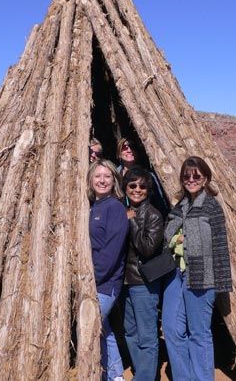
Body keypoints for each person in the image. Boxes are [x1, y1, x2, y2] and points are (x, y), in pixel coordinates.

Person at [162, 156, 232, 381]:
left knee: (199, 334)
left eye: (196, 176)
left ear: (205, 179)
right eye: (186, 176)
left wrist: (220, 284)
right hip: (176, 275)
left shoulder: (211, 207)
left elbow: (221, 246)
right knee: (172, 330)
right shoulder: (180, 205)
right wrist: (175, 239)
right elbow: (167, 235)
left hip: (202, 278)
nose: (191, 180)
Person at [88, 159, 128, 381]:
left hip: (105, 283)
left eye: (107, 177)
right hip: (96, 280)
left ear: (114, 181)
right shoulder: (94, 205)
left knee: (92, 328)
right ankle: (115, 375)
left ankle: (103, 373)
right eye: (97, 176)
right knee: (104, 328)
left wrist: (93, 278)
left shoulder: (114, 207)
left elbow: (111, 251)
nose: (102, 180)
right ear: (90, 179)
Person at [122, 166, 164, 381]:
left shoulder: (153, 215)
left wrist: (131, 221)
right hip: (127, 282)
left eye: (142, 186)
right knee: (130, 332)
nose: (137, 190)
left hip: (143, 283)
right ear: (125, 187)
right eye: (132, 185)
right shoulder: (124, 209)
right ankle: (142, 373)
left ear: (148, 189)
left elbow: (147, 248)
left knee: (147, 336)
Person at [115, 137, 170, 218]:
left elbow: (158, 200)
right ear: (119, 153)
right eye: (124, 147)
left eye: (132, 147)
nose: (129, 150)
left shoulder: (148, 175)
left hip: (145, 218)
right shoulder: (114, 175)